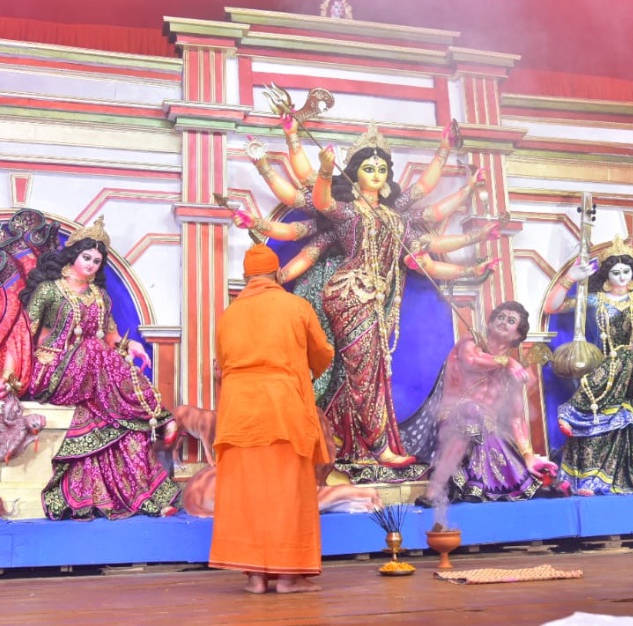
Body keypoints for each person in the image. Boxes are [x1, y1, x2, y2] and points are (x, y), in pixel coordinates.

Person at [231, 118, 499, 469]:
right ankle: (378, 447)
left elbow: (430, 246)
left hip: (376, 301)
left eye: (382, 169)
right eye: (369, 168)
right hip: (349, 294)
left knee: (368, 373)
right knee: (366, 372)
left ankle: (343, 440)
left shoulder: (397, 219)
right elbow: (320, 204)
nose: (376, 174)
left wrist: (473, 253)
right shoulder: (346, 212)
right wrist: (323, 168)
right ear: (355, 174)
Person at [0, 217, 180, 519]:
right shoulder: (49, 290)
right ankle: (160, 415)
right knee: (92, 349)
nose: (91, 265)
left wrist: (131, 346)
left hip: (92, 374)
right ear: (73, 255)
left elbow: (111, 337)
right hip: (52, 370)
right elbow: (21, 336)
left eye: (97, 261)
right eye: (86, 257)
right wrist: (6, 378)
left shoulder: (100, 296)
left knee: (123, 426)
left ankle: (145, 497)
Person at [209, 244, 335, 594]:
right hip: (282, 411)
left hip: (239, 414)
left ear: (246, 278)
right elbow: (322, 353)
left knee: (247, 494)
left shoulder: (228, 315)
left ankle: (255, 577)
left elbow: (223, 363)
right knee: (286, 492)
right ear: (278, 275)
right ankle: (288, 577)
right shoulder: (295, 306)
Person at [543, 236, 633, 495]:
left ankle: (574, 408)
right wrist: (570, 278)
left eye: (626, 271)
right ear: (607, 275)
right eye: (615, 272)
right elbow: (553, 306)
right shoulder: (593, 300)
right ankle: (592, 481)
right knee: (608, 415)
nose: (621, 277)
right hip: (601, 377)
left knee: (625, 354)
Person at [401, 301, 563, 505]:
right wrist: (507, 361)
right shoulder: (471, 342)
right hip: (451, 420)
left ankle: (482, 486)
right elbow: (472, 361)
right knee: (471, 410)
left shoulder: (512, 375)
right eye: (500, 317)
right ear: (490, 322)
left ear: (518, 335)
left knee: (484, 425)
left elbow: (516, 419)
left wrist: (529, 456)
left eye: (511, 321)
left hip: (486, 432)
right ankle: (435, 490)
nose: (503, 322)